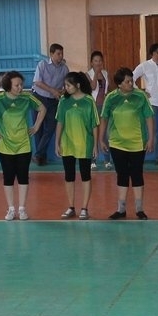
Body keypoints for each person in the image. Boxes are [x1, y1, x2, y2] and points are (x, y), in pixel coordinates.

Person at [0, 71, 47, 220]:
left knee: (23, 177)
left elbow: (42, 108)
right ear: (8, 86)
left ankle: (22, 209)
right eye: (17, 85)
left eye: (21, 84)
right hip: (5, 145)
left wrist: (36, 126)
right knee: (8, 177)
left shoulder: (27, 98)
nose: (20, 87)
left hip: (24, 145)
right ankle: (11, 209)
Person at [99, 67, 155, 220]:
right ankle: (121, 209)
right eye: (127, 81)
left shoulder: (140, 96)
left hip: (137, 143)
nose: (131, 84)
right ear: (119, 84)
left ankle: (139, 209)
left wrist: (151, 138)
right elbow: (104, 118)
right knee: (122, 175)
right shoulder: (111, 98)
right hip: (117, 143)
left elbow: (149, 117)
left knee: (137, 175)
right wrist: (101, 139)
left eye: (132, 81)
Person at [55, 71, 100, 220]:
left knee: (85, 176)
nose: (66, 88)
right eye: (65, 85)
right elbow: (60, 122)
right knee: (69, 176)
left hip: (85, 144)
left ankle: (84, 208)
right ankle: (71, 207)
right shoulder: (64, 101)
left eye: (69, 85)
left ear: (78, 85)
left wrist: (95, 145)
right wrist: (57, 142)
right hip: (67, 144)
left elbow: (94, 124)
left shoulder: (89, 101)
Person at [32, 43, 69, 166]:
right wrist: (52, 90)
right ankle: (41, 157)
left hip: (54, 101)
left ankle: (38, 154)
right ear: (51, 54)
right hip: (38, 98)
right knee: (38, 128)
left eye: (62, 53)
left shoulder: (65, 68)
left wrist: (61, 91)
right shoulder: (42, 64)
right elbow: (37, 82)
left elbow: (67, 85)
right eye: (58, 54)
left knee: (51, 127)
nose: (60, 56)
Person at [87, 50, 112, 170]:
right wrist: (96, 74)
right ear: (91, 62)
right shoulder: (88, 74)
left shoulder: (106, 73)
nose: (98, 63)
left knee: (105, 134)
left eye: (100, 61)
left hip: (104, 107)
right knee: (94, 134)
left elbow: (107, 89)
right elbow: (92, 87)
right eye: (95, 61)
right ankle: (93, 160)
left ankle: (107, 160)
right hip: (93, 107)